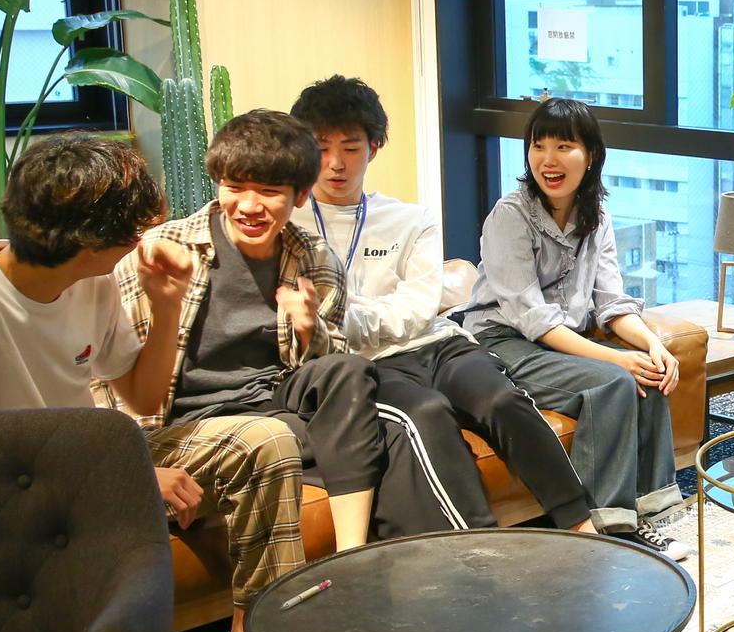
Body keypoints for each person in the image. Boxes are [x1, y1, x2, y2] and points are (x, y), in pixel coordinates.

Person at [0, 131, 317, 632]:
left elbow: (144, 399)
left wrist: (167, 304)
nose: (139, 245)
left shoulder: (93, 283)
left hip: (89, 460)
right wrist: (126, 476)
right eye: (131, 235)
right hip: (12, 489)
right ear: (87, 240)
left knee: (265, 440)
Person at [98, 109, 394, 632]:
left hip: (270, 406)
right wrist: (132, 463)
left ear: (300, 195)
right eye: (235, 187)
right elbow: (105, 374)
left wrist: (310, 327)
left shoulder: (312, 259)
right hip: (181, 427)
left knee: (367, 398)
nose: (249, 206)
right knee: (283, 442)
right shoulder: (163, 251)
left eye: (269, 191)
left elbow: (320, 364)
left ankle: (368, 586)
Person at [291, 74, 598, 540]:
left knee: (502, 400)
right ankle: (479, 549)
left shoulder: (410, 219)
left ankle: (583, 527)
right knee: (427, 411)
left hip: (439, 344)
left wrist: (338, 317)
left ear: (374, 148)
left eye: (350, 148)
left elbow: (417, 309)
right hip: (368, 365)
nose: (335, 163)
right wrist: (360, 320)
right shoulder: (288, 223)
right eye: (321, 147)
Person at [462, 98, 686, 559]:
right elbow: (533, 319)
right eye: (538, 146)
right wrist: (617, 359)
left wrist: (652, 346)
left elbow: (611, 303)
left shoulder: (596, 217)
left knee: (649, 376)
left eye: (563, 147)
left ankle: (648, 516)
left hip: (560, 342)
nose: (548, 160)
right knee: (615, 382)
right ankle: (606, 530)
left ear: (591, 155)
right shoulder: (510, 216)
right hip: (501, 341)